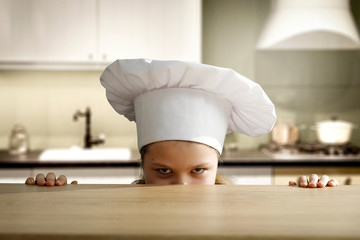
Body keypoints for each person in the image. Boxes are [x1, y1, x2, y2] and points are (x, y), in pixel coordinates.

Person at [25, 59, 338, 187]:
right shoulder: (121, 210)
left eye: (198, 171)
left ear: (218, 165)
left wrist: (309, 193)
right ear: (142, 163)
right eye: (163, 171)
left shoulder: (238, 207)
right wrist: (54, 200)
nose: (181, 187)